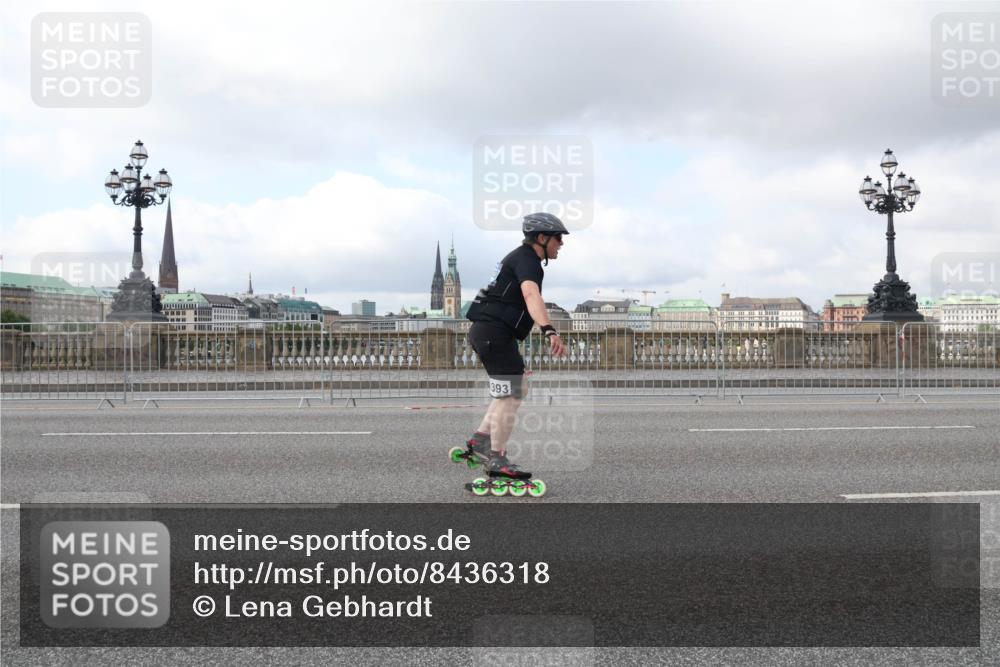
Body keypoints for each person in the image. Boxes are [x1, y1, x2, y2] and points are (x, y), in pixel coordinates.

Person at [462, 212, 569, 484]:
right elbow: (531, 294)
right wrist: (549, 330)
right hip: (493, 333)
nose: (561, 244)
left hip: (490, 332)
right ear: (542, 238)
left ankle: (481, 440)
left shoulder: (519, 258)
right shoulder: (528, 260)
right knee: (511, 394)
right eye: (558, 238)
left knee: (514, 388)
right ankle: (497, 458)